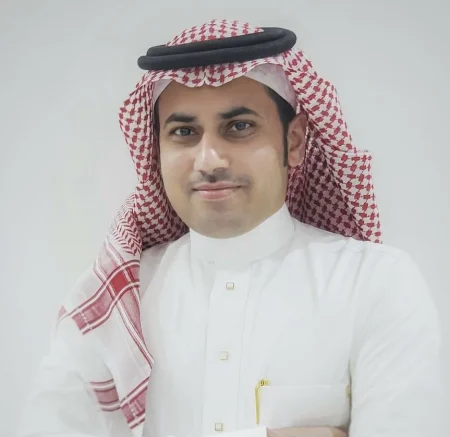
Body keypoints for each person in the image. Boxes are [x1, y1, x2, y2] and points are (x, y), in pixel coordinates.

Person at [18, 19, 446, 437]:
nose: (209, 160)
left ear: (294, 142)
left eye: (239, 127)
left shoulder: (375, 284)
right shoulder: (114, 298)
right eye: (184, 132)